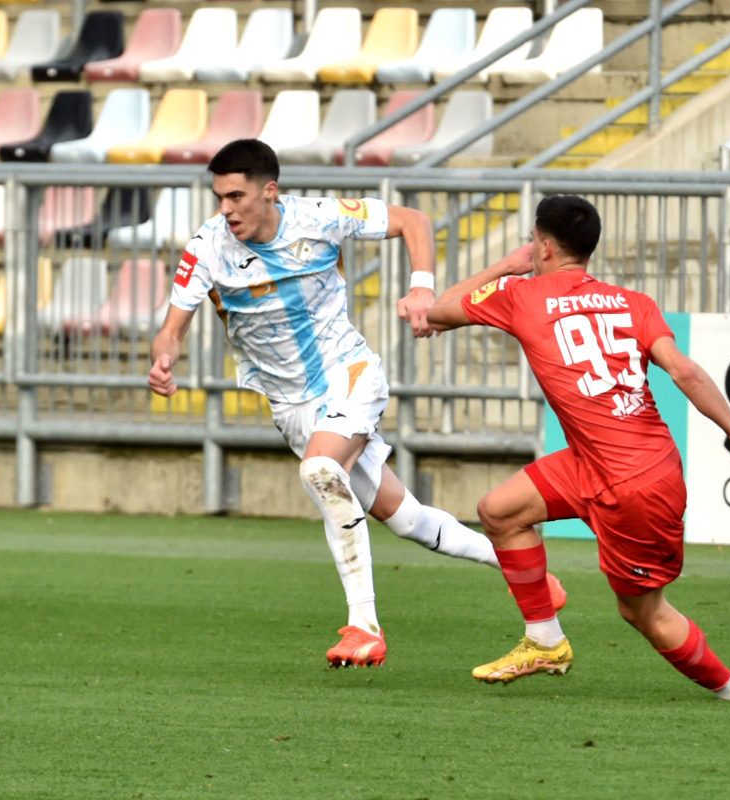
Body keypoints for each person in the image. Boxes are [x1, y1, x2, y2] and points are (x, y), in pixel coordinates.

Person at [147, 139, 564, 669]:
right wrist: (164, 360)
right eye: (219, 198)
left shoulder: (319, 217)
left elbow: (413, 220)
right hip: (291, 406)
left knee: (322, 470)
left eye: (235, 196)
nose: (225, 210)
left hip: (349, 374)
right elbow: (170, 331)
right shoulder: (206, 247)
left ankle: (363, 626)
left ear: (269, 192)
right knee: (407, 518)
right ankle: (526, 578)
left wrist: (421, 289)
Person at [424, 194, 730, 700]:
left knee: (642, 611)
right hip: (610, 462)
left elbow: (438, 309)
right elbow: (684, 371)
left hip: (633, 486)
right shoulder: (634, 303)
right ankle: (545, 641)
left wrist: (508, 265)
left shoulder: (521, 295)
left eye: (534, 242)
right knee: (499, 511)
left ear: (542, 246)